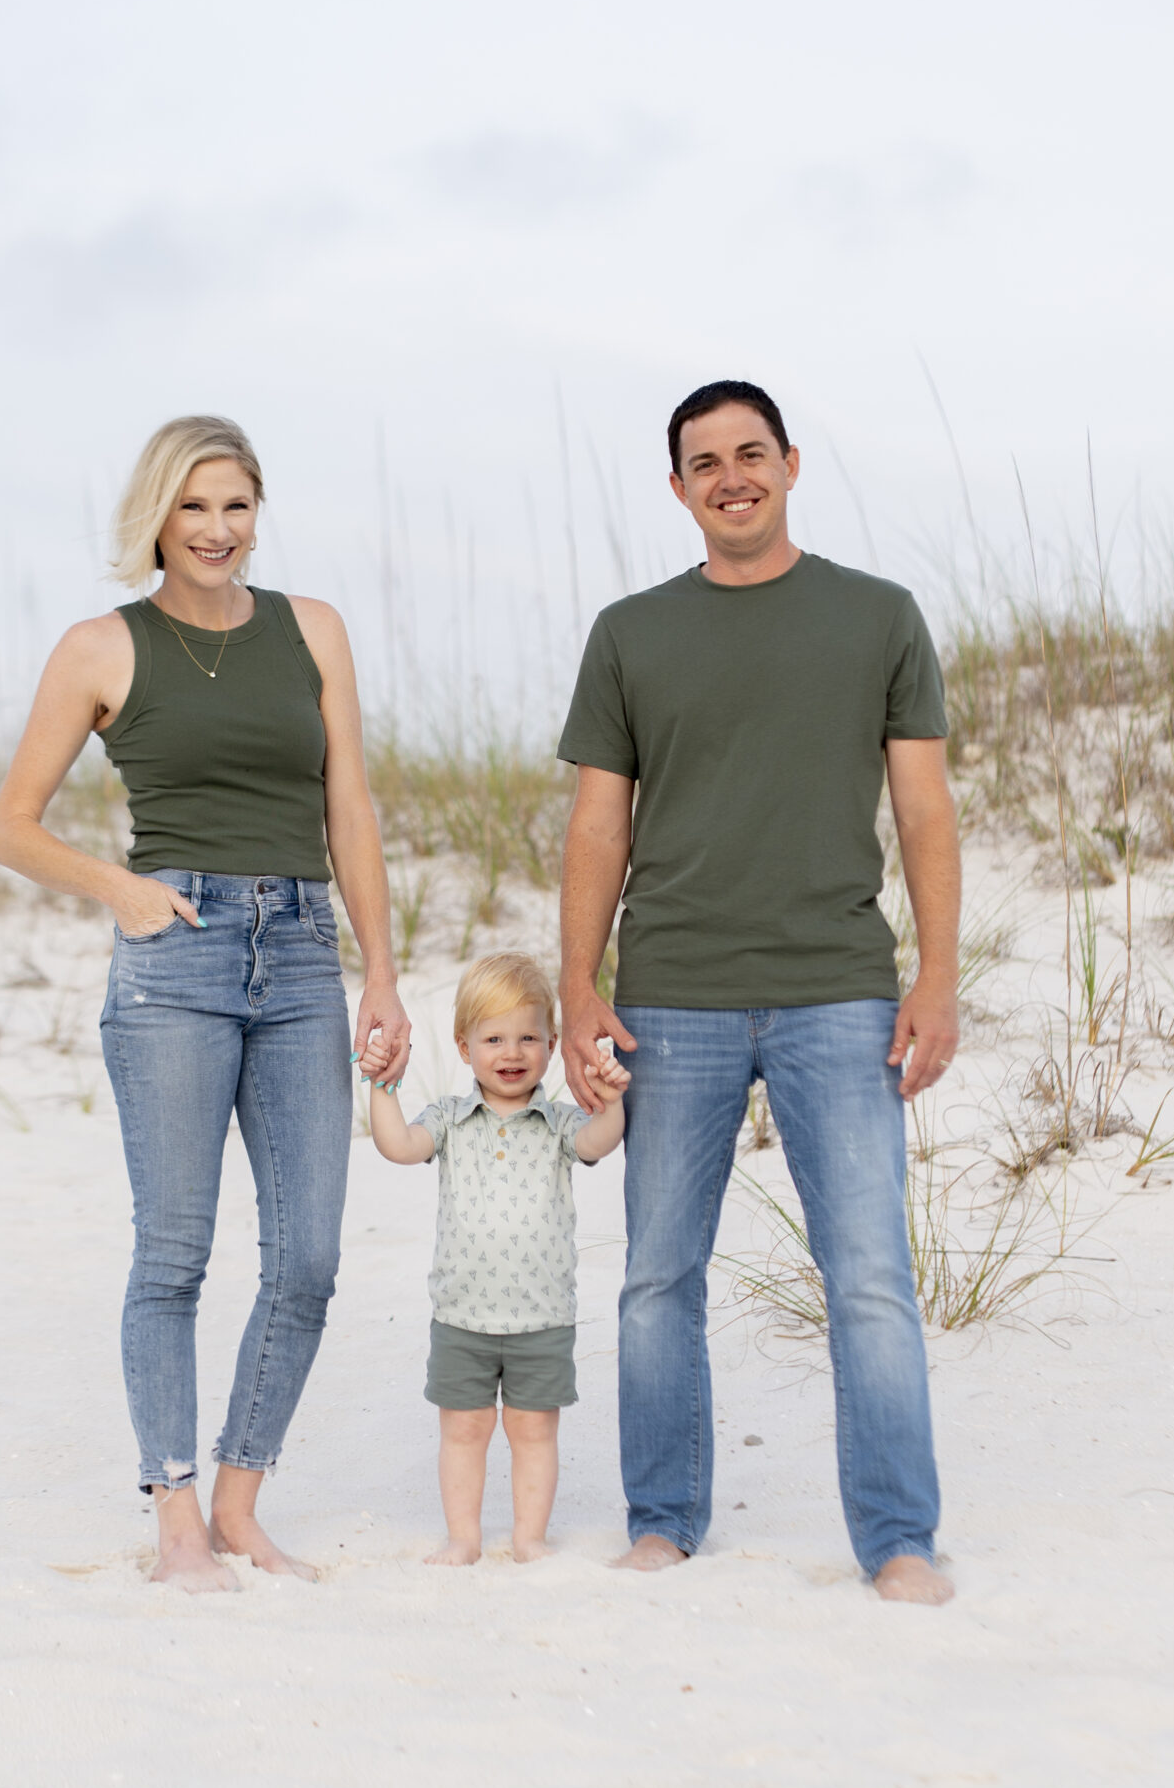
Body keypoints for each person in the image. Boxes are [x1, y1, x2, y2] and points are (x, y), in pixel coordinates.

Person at [0, 413, 409, 1590]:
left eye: (235, 506)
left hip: (305, 951)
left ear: (256, 512)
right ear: (157, 518)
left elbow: (353, 811)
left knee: (309, 1255)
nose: (217, 531)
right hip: (176, 954)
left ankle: (240, 1500)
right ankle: (174, 1515)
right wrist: (118, 888)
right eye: (193, 508)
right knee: (173, 1253)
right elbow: (8, 827)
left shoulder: (311, 629)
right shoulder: (98, 648)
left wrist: (380, 969)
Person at [555, 379, 960, 1605]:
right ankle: (663, 1518)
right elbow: (595, 827)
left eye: (750, 452)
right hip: (670, 990)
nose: (731, 476)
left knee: (871, 1274)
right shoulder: (630, 633)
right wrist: (578, 986)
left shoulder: (878, 616)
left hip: (838, 986)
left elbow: (926, 808)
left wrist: (936, 974)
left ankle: (898, 1539)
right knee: (656, 1276)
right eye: (703, 461)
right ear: (677, 488)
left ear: (789, 463)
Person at [361, 952, 628, 1565]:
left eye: (529, 1037)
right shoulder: (452, 1119)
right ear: (464, 1047)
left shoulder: (560, 1122)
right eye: (494, 1038)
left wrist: (610, 1101)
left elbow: (598, 1143)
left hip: (541, 1318)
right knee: (464, 1432)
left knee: (534, 1434)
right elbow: (398, 1146)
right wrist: (381, 1088)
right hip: (462, 1317)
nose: (512, 1052)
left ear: (553, 1044)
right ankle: (464, 1538)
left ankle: (529, 1537)